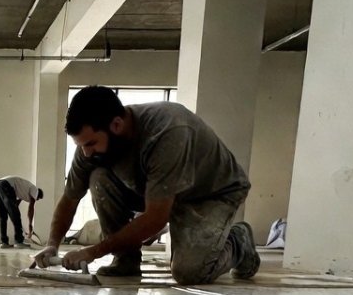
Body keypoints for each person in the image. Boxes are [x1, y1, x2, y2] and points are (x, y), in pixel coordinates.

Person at [32, 86, 260, 284]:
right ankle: (126, 259)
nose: (85, 152)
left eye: (91, 143)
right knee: (98, 178)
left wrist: (94, 251)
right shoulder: (91, 147)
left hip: (210, 193)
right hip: (157, 189)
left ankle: (239, 241)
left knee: (189, 272)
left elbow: (155, 218)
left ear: (117, 124)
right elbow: (70, 199)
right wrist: (52, 244)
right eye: (80, 145)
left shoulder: (167, 131)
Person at [0, 175, 43, 249]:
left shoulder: (24, 190)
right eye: (38, 198)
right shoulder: (35, 190)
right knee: (16, 215)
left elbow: (15, 205)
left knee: (3, 216)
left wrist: (13, 212)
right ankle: (19, 241)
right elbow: (31, 207)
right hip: (6, 185)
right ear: (38, 195)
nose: (36, 200)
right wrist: (30, 225)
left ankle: (4, 242)